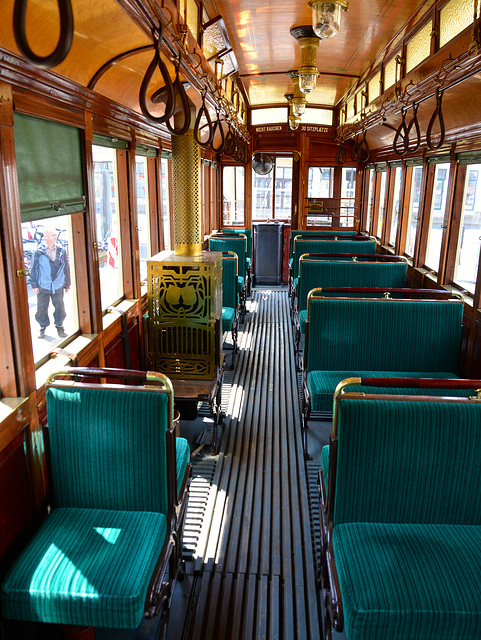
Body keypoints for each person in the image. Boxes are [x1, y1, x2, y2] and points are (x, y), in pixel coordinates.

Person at [28, 227, 71, 339]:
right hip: (43, 285)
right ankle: (42, 328)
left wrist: (67, 284)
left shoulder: (61, 250)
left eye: (56, 235)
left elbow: (66, 267)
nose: (55, 237)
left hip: (58, 285)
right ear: (45, 236)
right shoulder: (38, 251)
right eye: (53, 235)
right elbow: (33, 268)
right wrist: (34, 285)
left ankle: (60, 326)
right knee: (42, 308)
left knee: (60, 307)